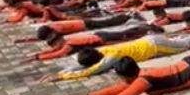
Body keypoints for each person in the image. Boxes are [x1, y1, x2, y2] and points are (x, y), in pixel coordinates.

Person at [39, 31, 190, 82]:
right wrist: (61, 72)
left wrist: (61, 77)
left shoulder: (111, 57)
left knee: (184, 45)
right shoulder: (102, 52)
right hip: (149, 41)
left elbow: (91, 70)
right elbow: (84, 66)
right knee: (178, 42)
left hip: (154, 44)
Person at [26, 23, 163, 61]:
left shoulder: (68, 45)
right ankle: (146, 28)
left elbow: (58, 54)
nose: (54, 46)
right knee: (125, 34)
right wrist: (38, 54)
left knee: (127, 36)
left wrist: (38, 57)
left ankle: (149, 28)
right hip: (99, 36)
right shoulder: (66, 42)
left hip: (103, 38)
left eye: (54, 44)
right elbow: (54, 51)